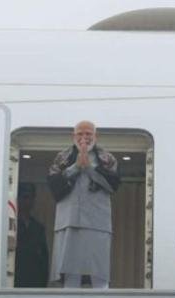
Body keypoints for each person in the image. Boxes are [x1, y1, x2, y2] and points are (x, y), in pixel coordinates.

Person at [47, 121, 120, 288]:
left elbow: (112, 185)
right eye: (80, 134)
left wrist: (89, 167)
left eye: (88, 134)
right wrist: (76, 167)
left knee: (99, 273)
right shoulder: (62, 157)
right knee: (70, 274)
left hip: (97, 224)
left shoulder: (107, 158)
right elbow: (53, 185)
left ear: (95, 136)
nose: (84, 138)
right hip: (69, 222)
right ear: (73, 136)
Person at [14, 182, 49, 287]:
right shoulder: (11, 226)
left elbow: (44, 260)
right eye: (25, 197)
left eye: (31, 197)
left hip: (35, 282)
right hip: (16, 281)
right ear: (18, 199)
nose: (28, 201)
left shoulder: (38, 228)